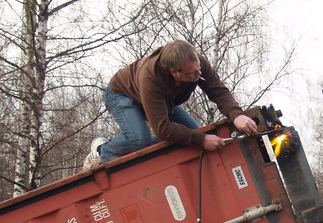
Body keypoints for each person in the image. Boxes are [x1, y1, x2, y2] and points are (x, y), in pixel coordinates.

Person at [83, 40, 258, 170]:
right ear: (174, 72)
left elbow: (217, 90)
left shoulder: (196, 64)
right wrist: (202, 139)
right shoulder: (150, 80)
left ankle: (130, 152)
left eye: (199, 69)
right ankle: (101, 150)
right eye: (192, 73)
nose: (198, 74)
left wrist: (237, 115)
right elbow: (162, 128)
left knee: (193, 134)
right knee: (139, 140)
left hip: (163, 101)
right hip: (122, 95)